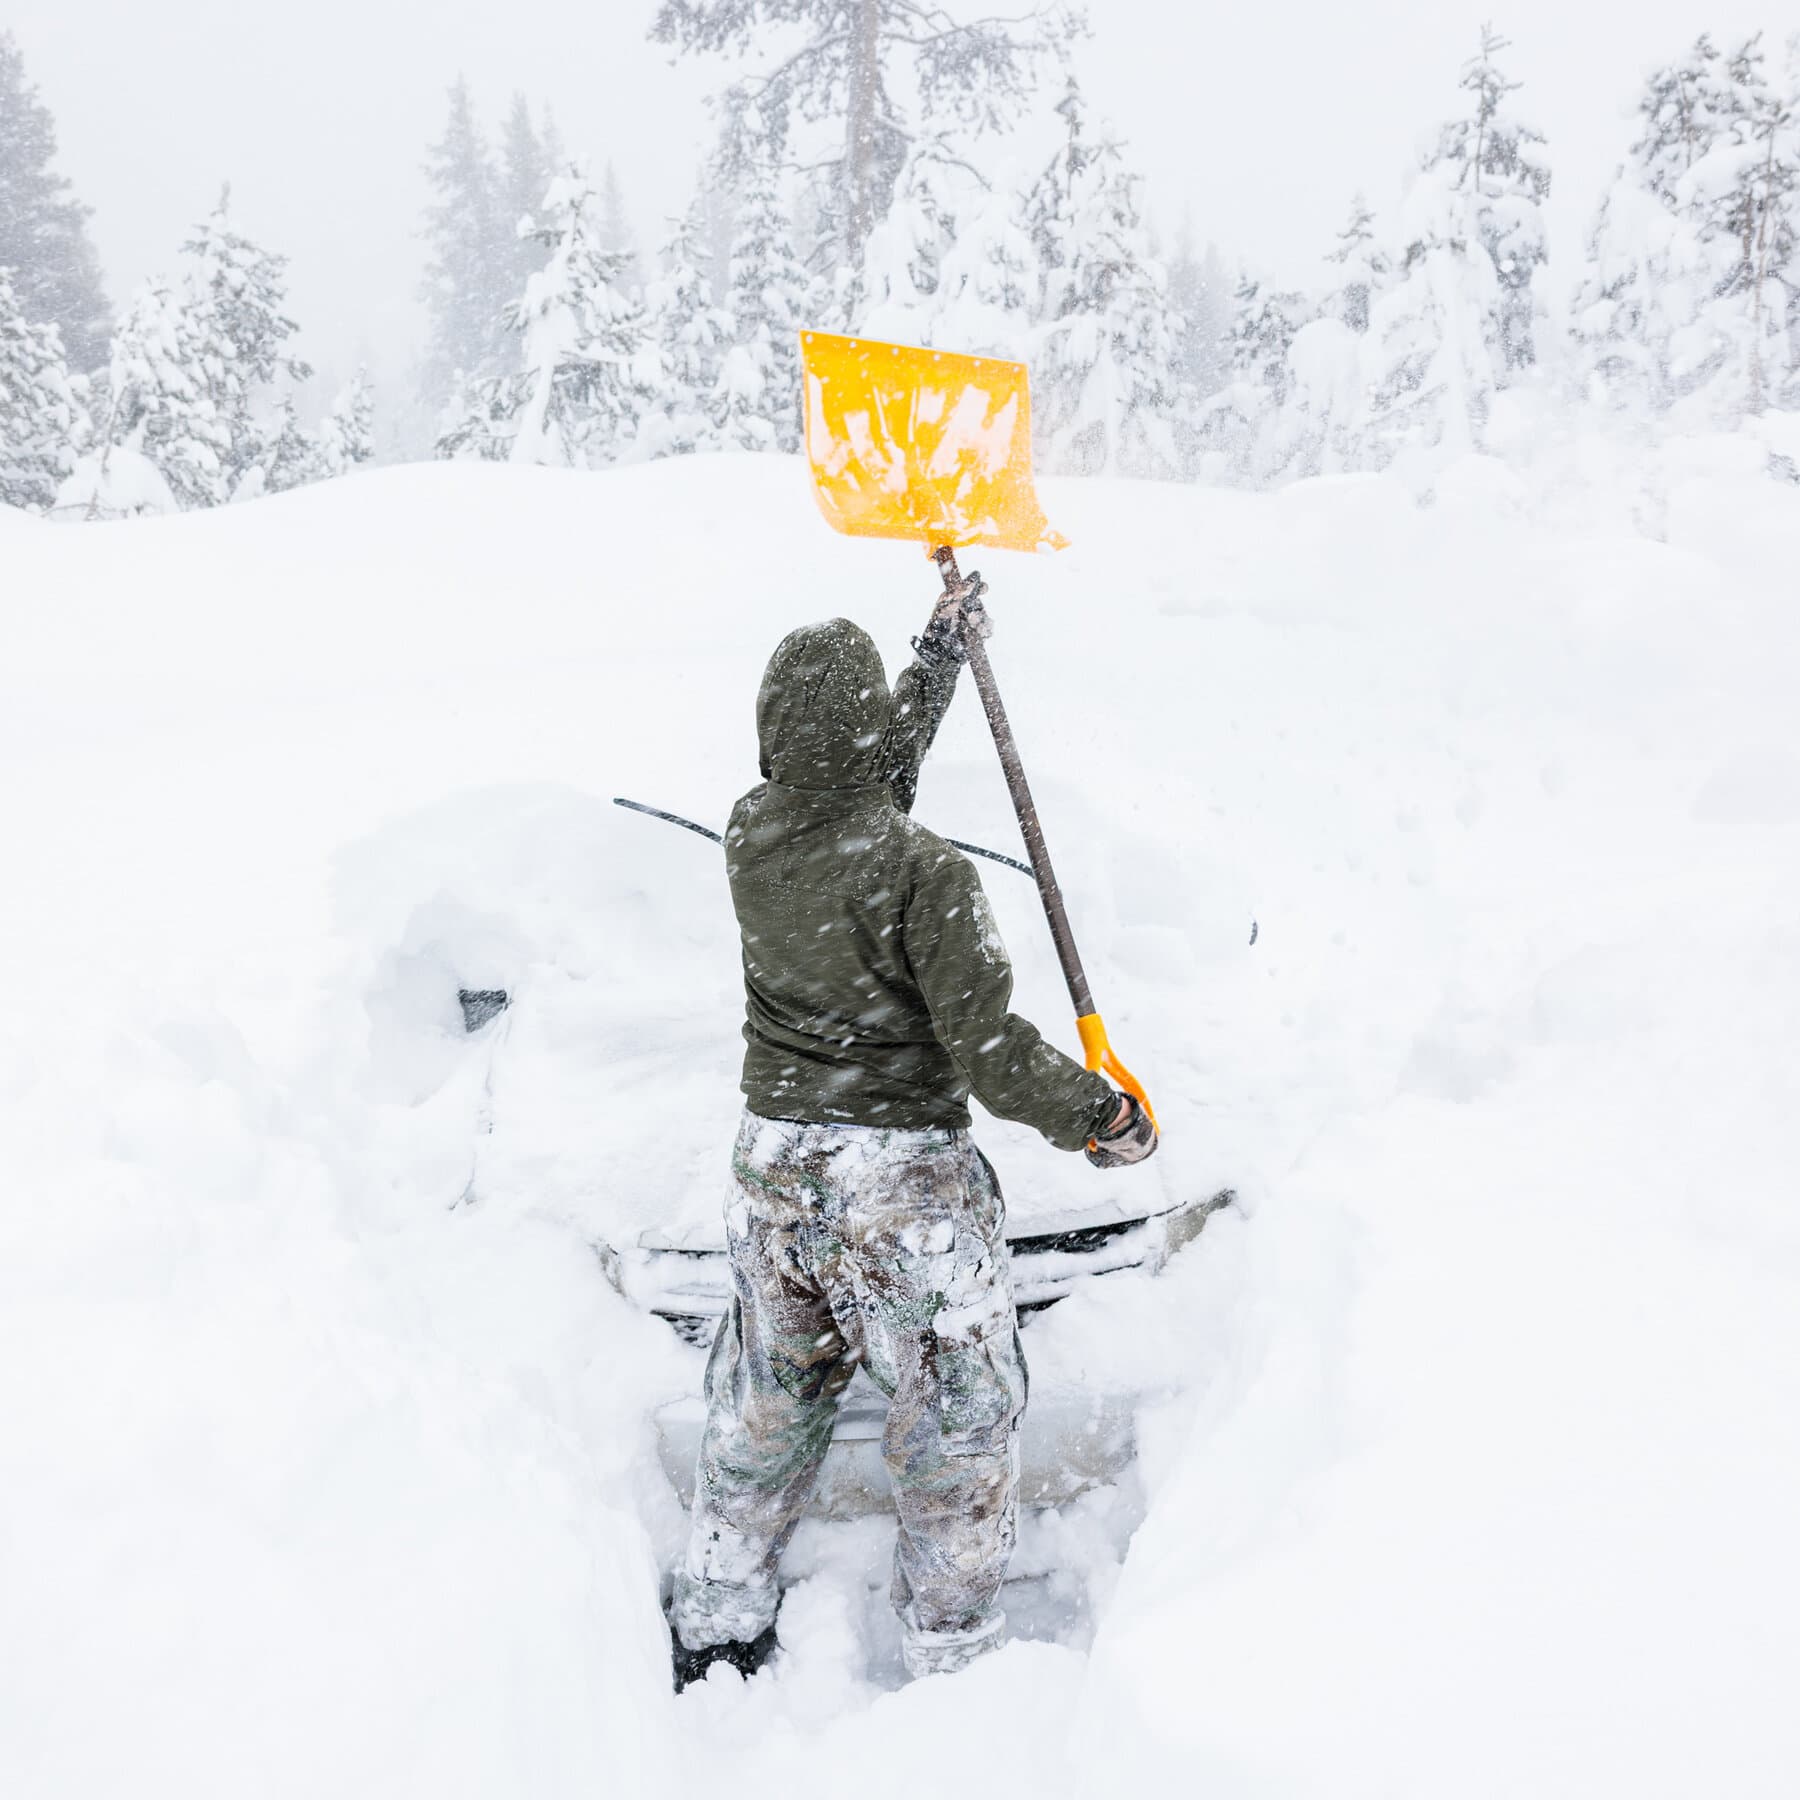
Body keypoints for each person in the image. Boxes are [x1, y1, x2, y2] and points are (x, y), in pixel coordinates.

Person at [668, 591, 1157, 1689]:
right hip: (899, 1192)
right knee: (958, 1421)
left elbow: (870, 783)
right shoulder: (927, 874)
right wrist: (1103, 1118)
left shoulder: (753, 829)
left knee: (767, 1401)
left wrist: (935, 656)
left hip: (773, 1170)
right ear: (857, 734)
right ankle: (953, 1659)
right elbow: (989, 1053)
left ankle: (715, 1616)